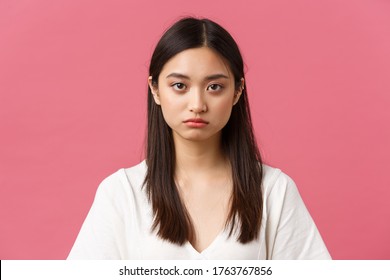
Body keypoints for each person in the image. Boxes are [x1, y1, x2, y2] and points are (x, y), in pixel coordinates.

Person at [67, 17, 331, 260]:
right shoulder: (120, 193)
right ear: (156, 90)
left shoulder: (274, 191)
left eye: (214, 87)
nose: (197, 104)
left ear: (237, 91)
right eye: (179, 86)